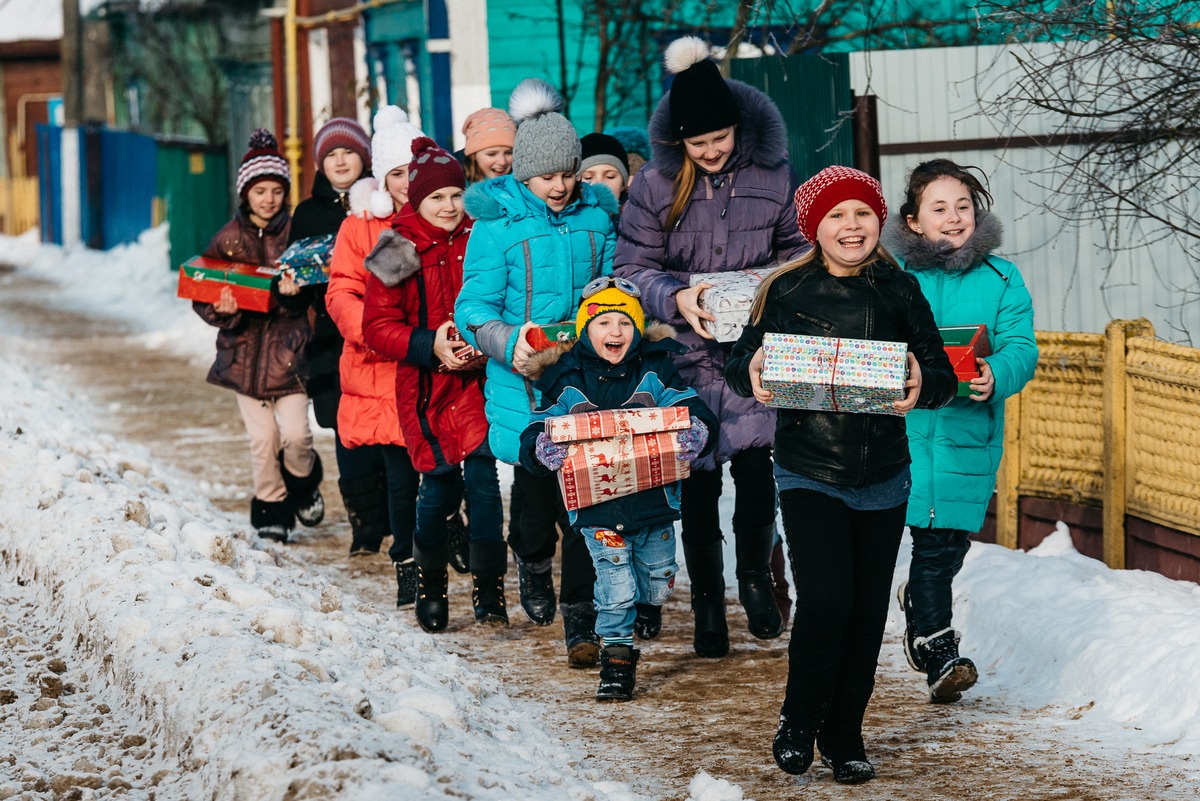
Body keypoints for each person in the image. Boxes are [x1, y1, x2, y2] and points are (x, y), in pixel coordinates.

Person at [725, 166, 956, 784]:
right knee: (827, 602)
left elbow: (940, 372)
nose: (850, 226)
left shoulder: (899, 289)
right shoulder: (787, 288)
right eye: (835, 216)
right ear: (814, 227)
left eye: (861, 213)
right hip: (809, 469)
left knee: (865, 612)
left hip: (882, 474)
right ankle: (799, 720)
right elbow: (741, 357)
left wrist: (921, 385)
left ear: (877, 219)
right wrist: (750, 368)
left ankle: (845, 733)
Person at [613, 35, 808, 657]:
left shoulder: (774, 176)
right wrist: (676, 298)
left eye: (719, 139)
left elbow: (799, 252)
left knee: (756, 470)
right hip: (683, 355)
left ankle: (753, 577)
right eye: (698, 144)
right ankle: (706, 609)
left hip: (752, 352)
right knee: (696, 482)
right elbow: (631, 268)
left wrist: (768, 290)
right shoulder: (652, 185)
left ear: (737, 125)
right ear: (678, 142)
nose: (712, 151)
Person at [455, 77, 618, 666]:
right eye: (545, 175)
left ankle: (582, 621)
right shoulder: (496, 227)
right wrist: (509, 342)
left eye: (567, 172)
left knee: (583, 503)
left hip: (582, 382)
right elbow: (472, 308)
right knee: (533, 500)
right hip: (522, 382)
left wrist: (611, 326)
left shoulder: (597, 222)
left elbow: (609, 290)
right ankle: (529, 559)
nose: (558, 184)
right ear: (523, 175)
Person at [518, 277, 718, 700]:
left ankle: (648, 604)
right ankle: (617, 660)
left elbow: (689, 403)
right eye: (604, 322)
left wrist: (697, 430)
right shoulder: (565, 378)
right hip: (597, 506)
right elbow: (540, 424)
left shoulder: (654, 370)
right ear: (584, 329)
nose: (615, 332)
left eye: (625, 323)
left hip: (654, 501)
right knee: (614, 588)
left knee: (655, 582)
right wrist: (541, 447)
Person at [884, 158, 1038, 702]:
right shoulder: (893, 279)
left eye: (963, 206)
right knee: (930, 547)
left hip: (968, 434)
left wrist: (998, 371)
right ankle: (937, 649)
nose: (953, 218)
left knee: (949, 544)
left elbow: (1022, 346)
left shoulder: (1002, 279)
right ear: (914, 220)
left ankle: (919, 608)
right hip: (900, 434)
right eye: (939, 208)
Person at [362, 137, 505, 632]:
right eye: (435, 198)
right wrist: (430, 343)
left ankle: (490, 589)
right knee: (439, 487)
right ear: (415, 202)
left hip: (481, 381)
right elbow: (377, 327)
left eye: (454, 195)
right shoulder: (396, 248)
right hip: (425, 386)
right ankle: (432, 584)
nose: (447, 206)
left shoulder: (482, 236)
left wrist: (487, 340)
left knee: (485, 485)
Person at [193, 129, 324, 542]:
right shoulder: (227, 240)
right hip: (244, 355)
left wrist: (294, 296)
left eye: (276, 190)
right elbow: (203, 289)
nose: (268, 199)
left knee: (297, 435)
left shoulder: (297, 234)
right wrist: (223, 311)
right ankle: (271, 507)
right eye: (259, 190)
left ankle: (303, 484)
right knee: (262, 439)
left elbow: (317, 286)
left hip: (291, 353)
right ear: (245, 193)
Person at [326, 106, 424, 604]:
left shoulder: (448, 217)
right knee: (401, 474)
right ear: (383, 178)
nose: (409, 181)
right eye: (397, 172)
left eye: (415, 169)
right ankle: (407, 560)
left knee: (449, 470)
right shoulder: (361, 227)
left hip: (439, 363)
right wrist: (374, 332)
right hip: (382, 367)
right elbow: (342, 290)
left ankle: (448, 541)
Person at [286, 117, 382, 557]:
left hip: (381, 330)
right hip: (330, 338)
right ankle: (364, 523)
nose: (340, 161)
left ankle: (388, 517)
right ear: (320, 165)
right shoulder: (307, 213)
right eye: (331, 155)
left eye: (348, 152)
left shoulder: (382, 204)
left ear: (364, 158)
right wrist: (287, 292)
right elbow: (294, 284)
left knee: (385, 427)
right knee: (344, 428)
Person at [461, 107, 516, 183]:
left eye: (509, 153)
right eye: (492, 154)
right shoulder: (455, 189)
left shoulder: (526, 186)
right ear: (474, 156)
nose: (502, 162)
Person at [579, 132, 630, 211]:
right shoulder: (558, 221)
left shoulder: (641, 219)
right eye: (588, 177)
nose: (600, 184)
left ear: (623, 184)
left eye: (610, 176)